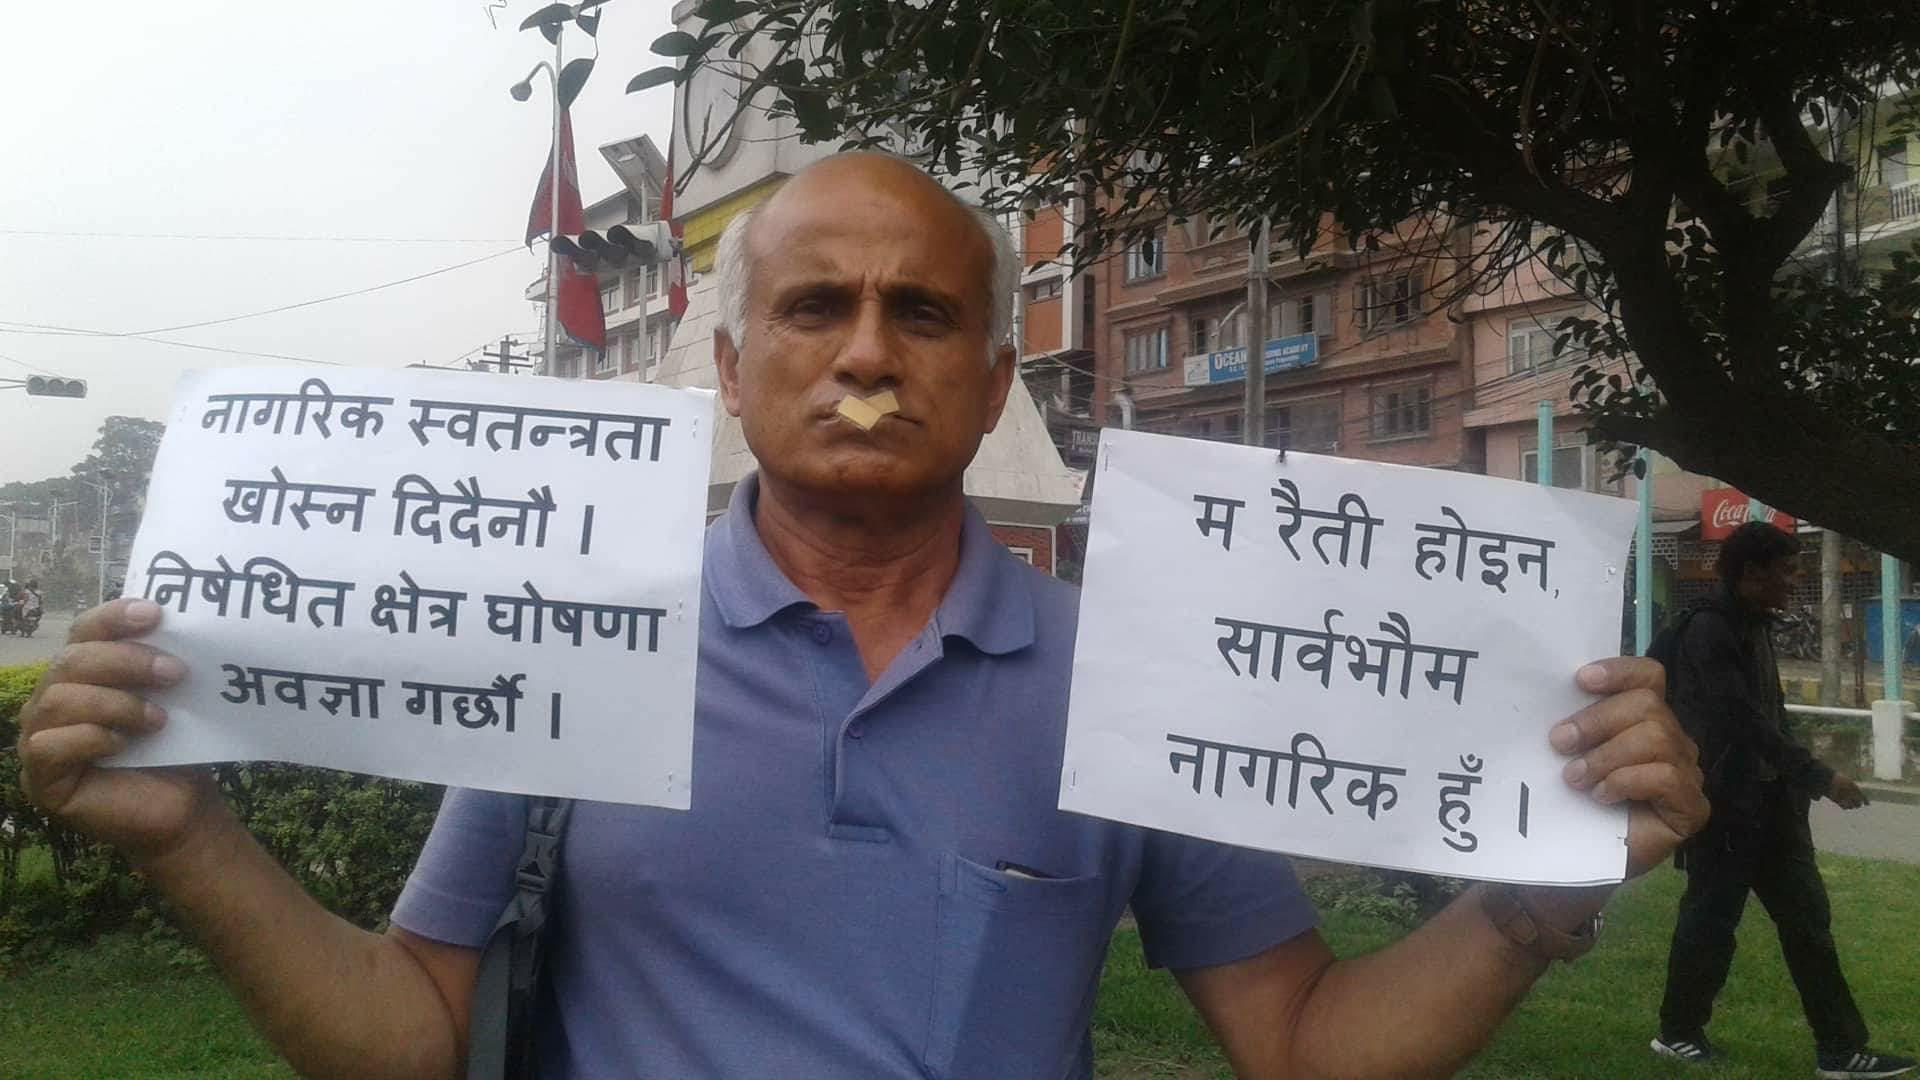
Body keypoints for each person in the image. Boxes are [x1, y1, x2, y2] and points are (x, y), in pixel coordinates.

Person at [19, 153, 1707, 1079]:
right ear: (732, 366)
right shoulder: (583, 644)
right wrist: (191, 841)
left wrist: (1528, 899)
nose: (869, 355)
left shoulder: (1123, 678)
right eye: (816, 307)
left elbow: (1305, 1044)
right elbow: (412, 1033)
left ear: (995, 377)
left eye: (924, 314)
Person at [1652, 522, 1913, 1078]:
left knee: (1808, 923)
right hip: (1725, 806)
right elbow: (1739, 719)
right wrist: (1818, 775)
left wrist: (1796, 782)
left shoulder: (1755, 625)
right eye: (1788, 570)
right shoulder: (1709, 629)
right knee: (1710, 921)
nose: (1795, 581)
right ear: (1751, 573)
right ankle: (1677, 1034)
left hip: (1774, 806)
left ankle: (1840, 1050)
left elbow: (1771, 716)